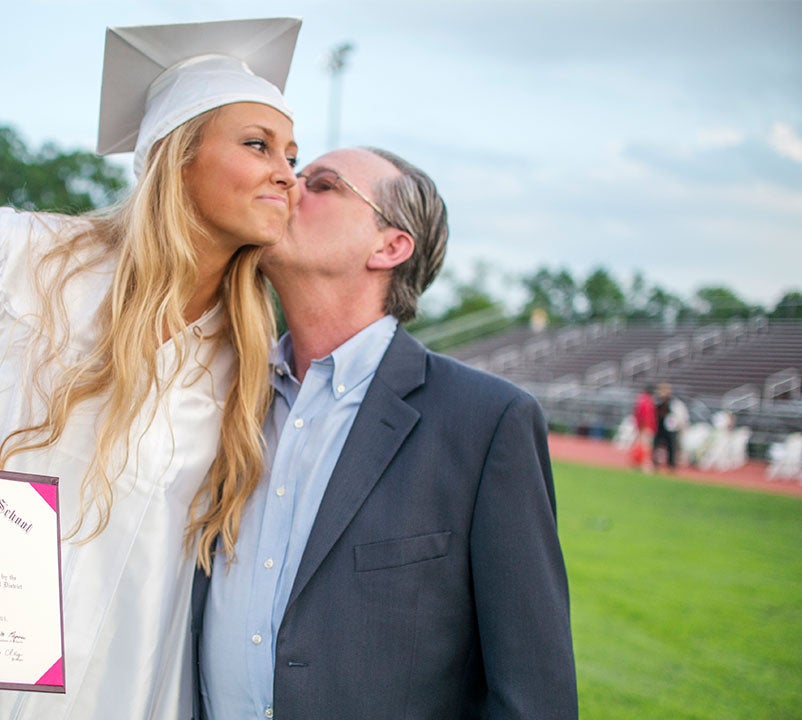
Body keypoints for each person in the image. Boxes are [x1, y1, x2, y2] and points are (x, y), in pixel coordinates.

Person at [0, 18, 301, 720]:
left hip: (123, 689)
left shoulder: (244, 359)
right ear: (176, 156)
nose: (287, 171)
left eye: (292, 153)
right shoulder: (18, 260)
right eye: (257, 145)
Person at [193, 147, 578, 719]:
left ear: (390, 246)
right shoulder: (217, 397)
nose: (288, 187)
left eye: (322, 184)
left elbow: (534, 694)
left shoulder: (487, 422)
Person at [633, 384, 657, 470]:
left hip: (642, 426)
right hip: (646, 427)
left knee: (640, 445)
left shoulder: (641, 399)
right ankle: (644, 464)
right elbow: (645, 416)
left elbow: (638, 414)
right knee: (645, 447)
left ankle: (637, 462)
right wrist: (645, 426)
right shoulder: (646, 401)